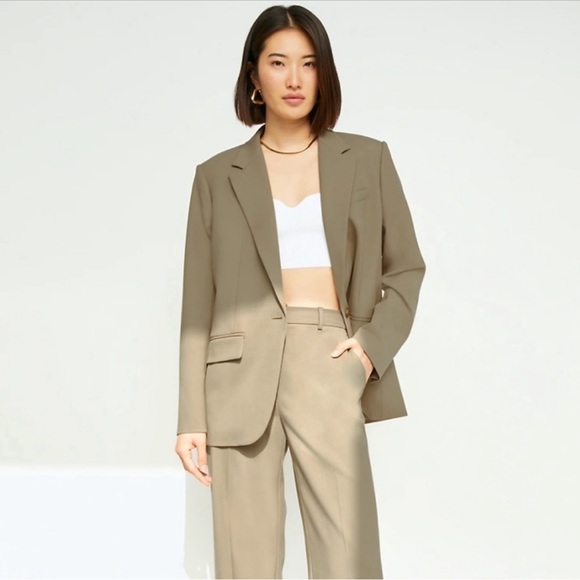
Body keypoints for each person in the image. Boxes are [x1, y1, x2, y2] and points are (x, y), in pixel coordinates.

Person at [174, 4, 426, 579]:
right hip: (237, 372)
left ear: (323, 73)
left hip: (329, 359)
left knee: (347, 555)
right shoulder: (216, 176)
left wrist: (368, 351)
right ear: (253, 75)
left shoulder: (367, 158)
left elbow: (406, 269)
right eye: (278, 62)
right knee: (245, 560)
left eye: (309, 64)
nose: (294, 79)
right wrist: (191, 417)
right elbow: (197, 303)